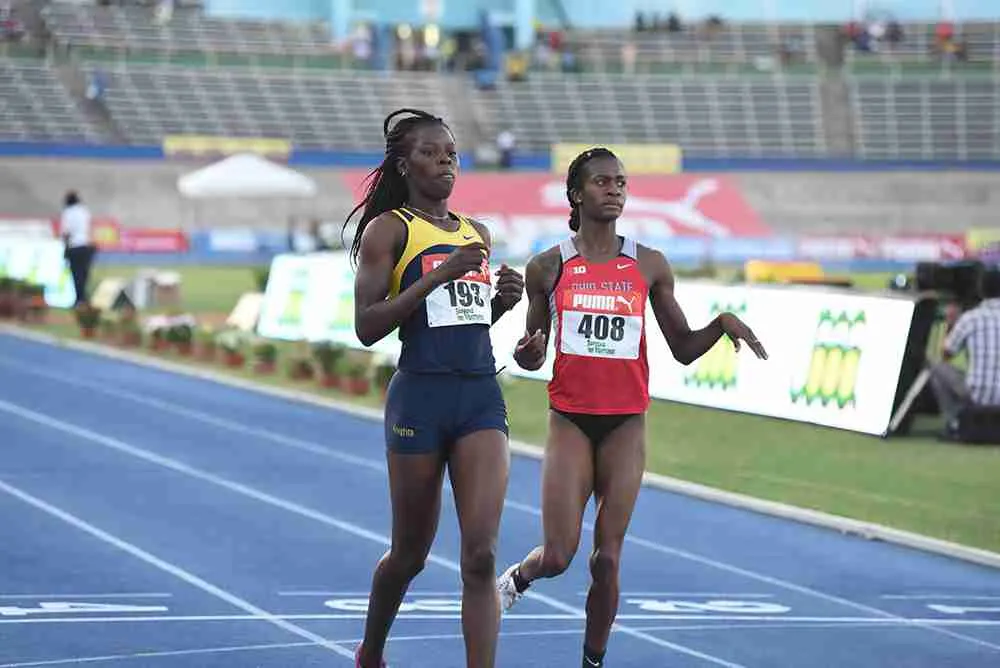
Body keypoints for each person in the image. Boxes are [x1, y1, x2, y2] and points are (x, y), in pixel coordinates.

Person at [496, 147, 768, 668]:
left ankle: (592, 661)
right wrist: (526, 352)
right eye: (602, 182)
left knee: (608, 559)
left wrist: (722, 324)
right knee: (558, 554)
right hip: (571, 422)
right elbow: (534, 349)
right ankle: (520, 577)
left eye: (620, 181)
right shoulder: (548, 265)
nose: (614, 189)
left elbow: (683, 347)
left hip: (625, 423)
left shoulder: (648, 264)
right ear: (577, 193)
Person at [345, 108, 525, 668]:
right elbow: (368, 326)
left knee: (481, 555)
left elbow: (461, 324)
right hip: (419, 400)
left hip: (478, 398)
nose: (446, 159)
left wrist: (500, 304)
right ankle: (371, 651)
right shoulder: (390, 230)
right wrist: (438, 275)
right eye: (431, 151)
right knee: (410, 554)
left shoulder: (478, 234)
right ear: (405, 165)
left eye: (451, 151)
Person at [929, 269, 1000, 439]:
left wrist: (951, 323)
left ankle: (954, 422)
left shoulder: (971, 318)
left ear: (981, 290)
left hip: (977, 394)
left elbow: (946, 354)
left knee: (935, 368)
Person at [60, 190, 96, 306]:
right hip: (86, 245)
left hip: (74, 246)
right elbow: (89, 229)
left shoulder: (68, 212)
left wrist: (65, 248)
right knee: (84, 274)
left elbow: (66, 232)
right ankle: (83, 298)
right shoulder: (84, 211)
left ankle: (80, 299)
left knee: (76, 274)